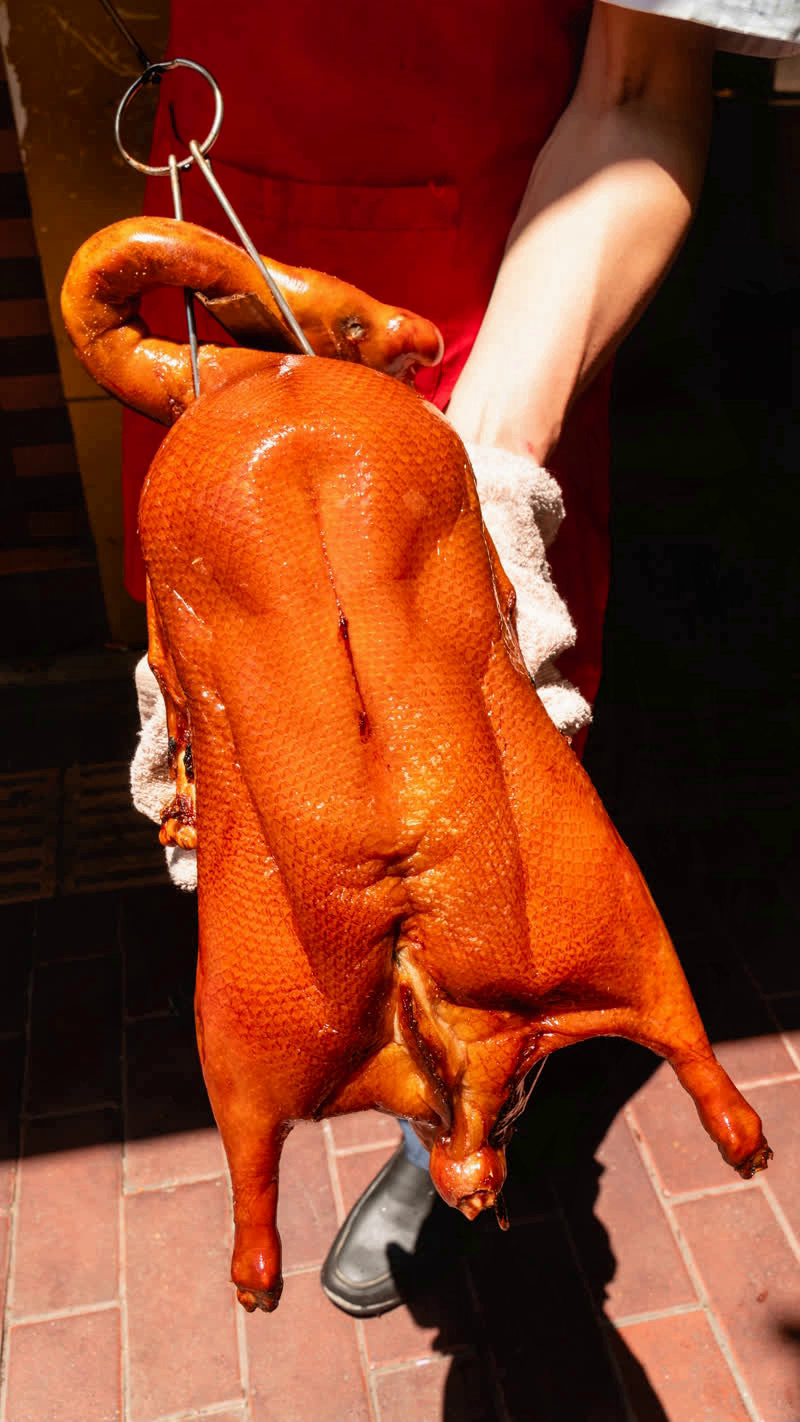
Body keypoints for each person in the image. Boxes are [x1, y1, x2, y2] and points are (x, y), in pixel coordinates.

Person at [122, 0, 799, 1317]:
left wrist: (484, 465)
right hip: (213, 258)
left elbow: (639, 87)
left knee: (481, 808)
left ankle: (453, 1102)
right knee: (261, 789)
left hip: (479, 299)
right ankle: (341, 1037)